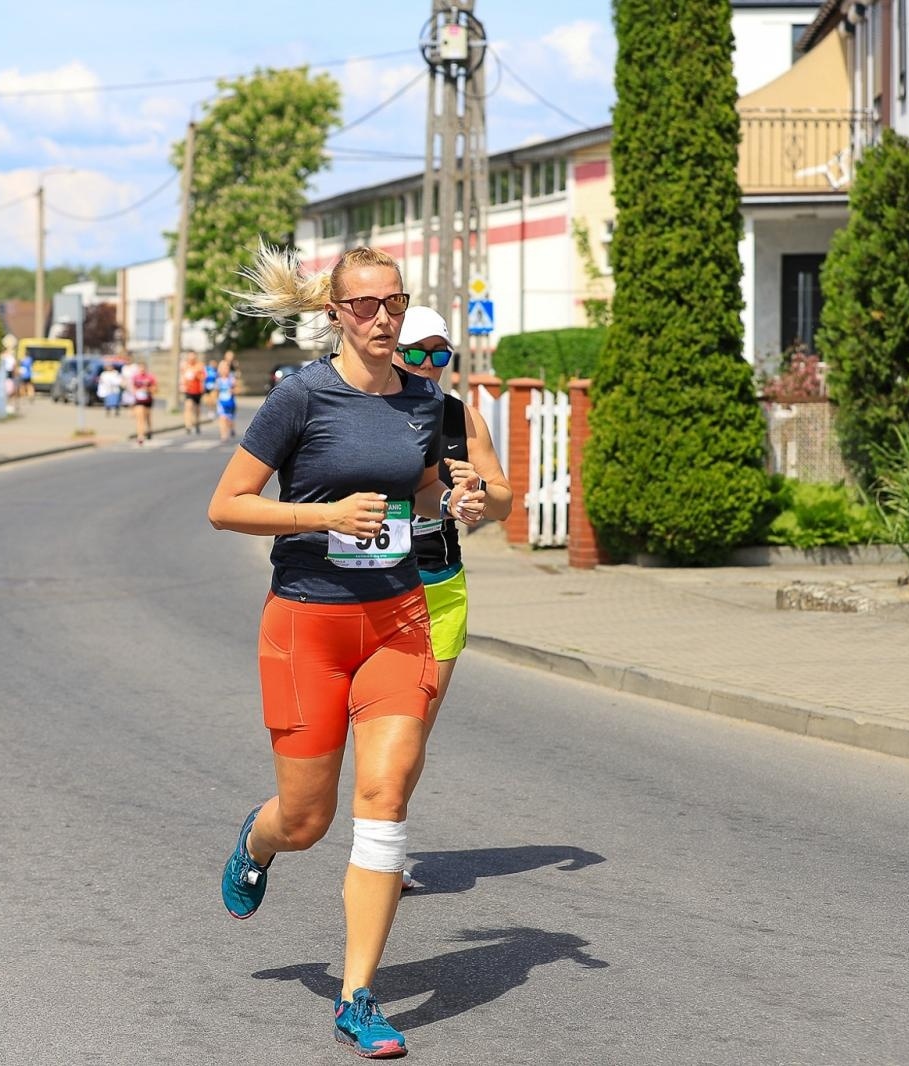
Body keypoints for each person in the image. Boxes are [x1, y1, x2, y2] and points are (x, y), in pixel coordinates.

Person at [207, 244, 485, 1060]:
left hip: (399, 618)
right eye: (364, 306)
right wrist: (323, 518)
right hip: (308, 625)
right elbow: (227, 506)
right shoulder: (300, 398)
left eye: (393, 304)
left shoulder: (424, 401)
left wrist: (458, 497)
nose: (382, 319)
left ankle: (357, 996)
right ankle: (256, 844)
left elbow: (424, 488)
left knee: (388, 793)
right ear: (335, 314)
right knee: (306, 819)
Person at [391, 306, 512, 891]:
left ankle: (385, 847)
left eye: (441, 355)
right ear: (390, 348)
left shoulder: (462, 418)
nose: (429, 366)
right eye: (417, 353)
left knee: (411, 729)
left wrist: (477, 491)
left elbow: (506, 500)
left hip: (438, 583)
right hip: (370, 586)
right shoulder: (359, 410)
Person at [130, 360, 157, 446]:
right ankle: (140, 436)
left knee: (147, 417)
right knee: (140, 418)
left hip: (148, 400)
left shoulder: (150, 377)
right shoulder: (135, 377)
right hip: (138, 401)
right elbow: (132, 387)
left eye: (143, 368)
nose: (142, 370)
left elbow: (155, 388)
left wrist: (148, 390)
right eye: (140, 368)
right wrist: (136, 391)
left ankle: (149, 430)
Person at [214, 353, 239, 442]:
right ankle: (223, 435)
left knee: (229, 419)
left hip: (231, 402)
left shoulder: (231, 379)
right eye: (222, 368)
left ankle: (231, 428)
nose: (224, 370)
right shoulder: (218, 380)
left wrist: (233, 391)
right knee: (222, 418)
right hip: (221, 402)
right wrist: (215, 400)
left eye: (226, 368)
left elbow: (237, 390)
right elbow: (216, 391)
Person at [181, 351, 206, 434]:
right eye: (190, 358)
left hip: (197, 391)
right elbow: (183, 377)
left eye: (193, 358)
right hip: (188, 391)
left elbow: (203, 377)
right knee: (188, 406)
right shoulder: (185, 366)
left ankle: (197, 423)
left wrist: (196, 375)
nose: (191, 360)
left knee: (197, 409)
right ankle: (188, 425)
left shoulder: (199, 366)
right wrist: (182, 385)